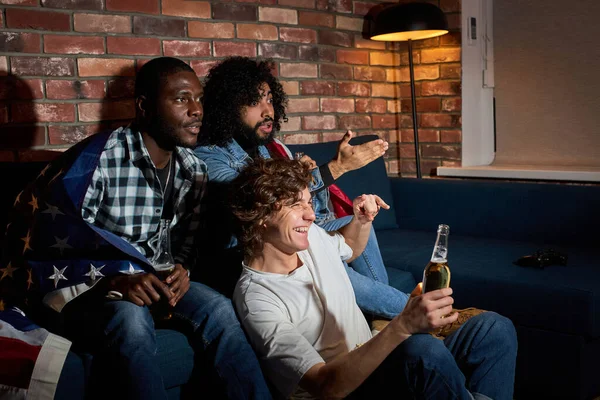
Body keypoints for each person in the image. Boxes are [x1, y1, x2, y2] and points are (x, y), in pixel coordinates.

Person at [0, 57, 271, 400]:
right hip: (93, 290)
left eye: (199, 99)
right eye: (181, 99)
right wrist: (114, 281)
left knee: (219, 309)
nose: (196, 110)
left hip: (154, 280)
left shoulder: (194, 170)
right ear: (144, 107)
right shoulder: (97, 163)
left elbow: (184, 246)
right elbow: (52, 251)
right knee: (131, 320)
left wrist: (182, 270)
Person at [229, 158, 518, 400]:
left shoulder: (310, 238)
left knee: (493, 328)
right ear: (261, 214)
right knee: (422, 351)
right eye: (296, 205)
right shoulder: (257, 298)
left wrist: (362, 221)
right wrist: (402, 325)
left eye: (309, 202)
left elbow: (350, 248)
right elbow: (325, 385)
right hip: (346, 386)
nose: (311, 215)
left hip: (374, 354)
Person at [194, 56, 408, 319]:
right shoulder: (208, 157)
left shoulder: (267, 148)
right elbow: (259, 197)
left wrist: (307, 177)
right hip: (246, 253)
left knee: (357, 220)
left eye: (269, 99)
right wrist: (335, 169)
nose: (267, 111)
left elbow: (310, 212)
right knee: (325, 263)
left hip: (284, 236)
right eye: (253, 102)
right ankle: (414, 312)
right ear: (227, 107)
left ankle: (386, 317)